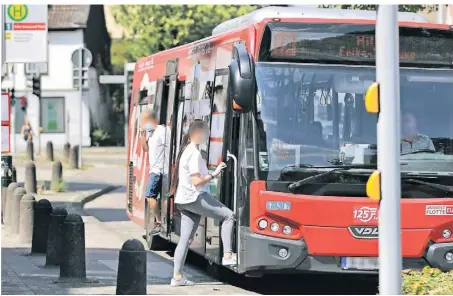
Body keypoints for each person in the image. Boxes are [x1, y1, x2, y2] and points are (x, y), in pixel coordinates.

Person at [169, 120, 236, 287]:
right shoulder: (194, 153)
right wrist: (215, 174)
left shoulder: (185, 150)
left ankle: (177, 277)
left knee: (185, 239)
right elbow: (197, 181)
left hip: (183, 200)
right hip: (195, 197)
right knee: (228, 216)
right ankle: (227, 255)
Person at [140, 109, 170, 236]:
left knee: (150, 196)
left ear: (151, 120)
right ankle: (160, 220)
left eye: (144, 121)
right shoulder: (151, 133)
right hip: (155, 170)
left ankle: (159, 223)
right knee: (153, 197)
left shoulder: (162, 131)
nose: (143, 124)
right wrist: (142, 136)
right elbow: (145, 149)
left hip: (159, 171)